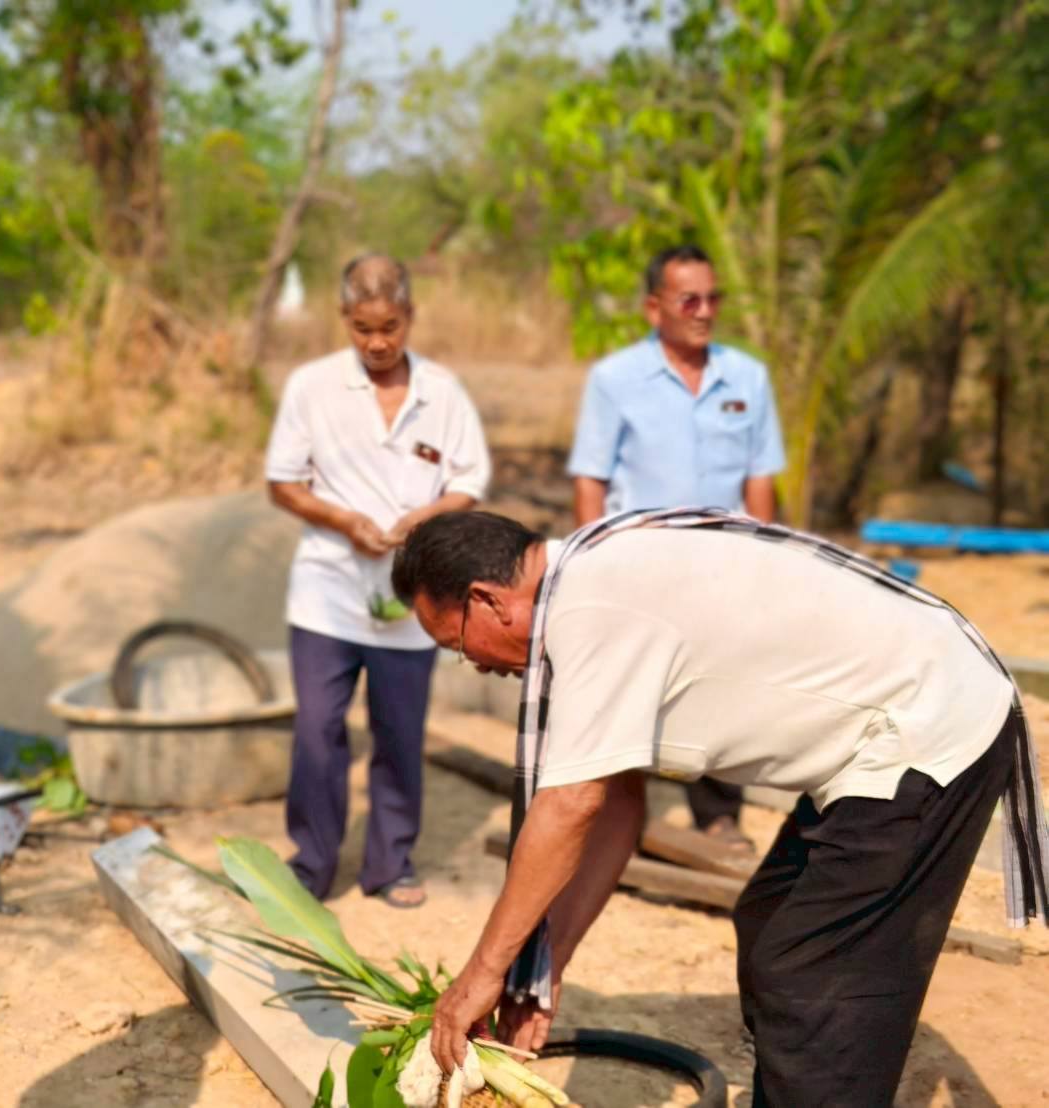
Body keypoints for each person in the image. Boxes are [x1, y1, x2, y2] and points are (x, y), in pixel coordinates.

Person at [391, 509, 1048, 1107]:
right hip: (887, 735)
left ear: (487, 601)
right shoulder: (590, 576)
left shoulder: (590, 609)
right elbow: (616, 800)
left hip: (927, 729)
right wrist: (546, 967)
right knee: (769, 921)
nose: (471, 665)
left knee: (808, 971)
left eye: (456, 643)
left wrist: (483, 973)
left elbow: (569, 806)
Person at [265, 254, 491, 909]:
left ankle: (390, 864)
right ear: (343, 319)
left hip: (409, 598)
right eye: (362, 328)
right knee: (317, 730)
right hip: (326, 594)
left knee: (398, 732)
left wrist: (426, 517)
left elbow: (468, 481)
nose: (376, 342)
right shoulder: (311, 387)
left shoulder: (441, 392)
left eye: (389, 326)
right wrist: (342, 521)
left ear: (410, 316)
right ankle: (310, 863)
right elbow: (283, 482)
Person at [567, 244, 786, 849]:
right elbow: (591, 477)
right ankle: (613, 816)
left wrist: (763, 558)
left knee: (720, 689)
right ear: (653, 307)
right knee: (630, 690)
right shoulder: (615, 381)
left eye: (713, 298)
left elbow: (760, 477)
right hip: (639, 568)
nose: (705, 310)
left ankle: (718, 815)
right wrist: (590, 567)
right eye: (690, 298)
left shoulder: (747, 378)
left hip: (725, 566)